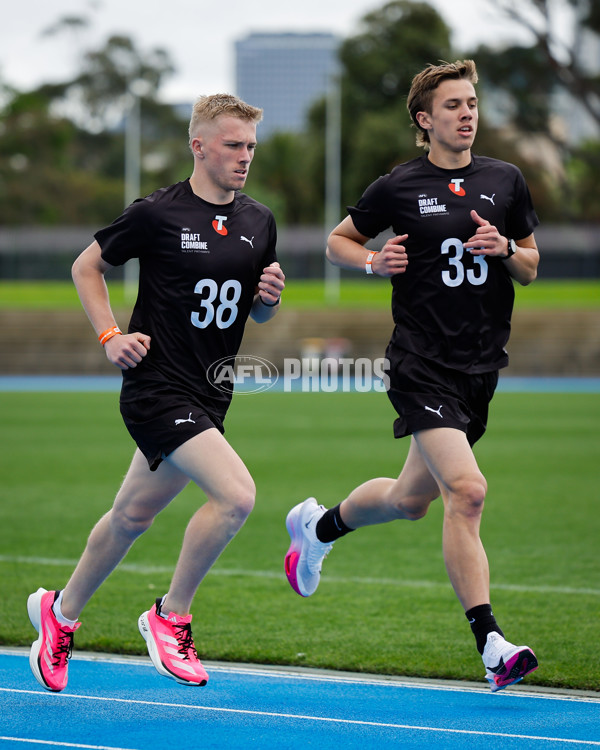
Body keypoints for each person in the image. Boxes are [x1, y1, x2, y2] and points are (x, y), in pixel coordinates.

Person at [284, 60, 539, 692]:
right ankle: (491, 644)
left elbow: (532, 266)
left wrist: (506, 250)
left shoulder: (505, 181)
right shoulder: (398, 186)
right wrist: (373, 259)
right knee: (467, 491)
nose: (468, 113)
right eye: (453, 105)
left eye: (472, 102)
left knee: (411, 501)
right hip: (420, 364)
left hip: (481, 367)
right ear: (425, 120)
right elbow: (337, 241)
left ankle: (318, 527)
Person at [27, 93, 285, 692]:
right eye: (232, 145)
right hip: (156, 387)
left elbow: (258, 316)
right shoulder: (156, 213)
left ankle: (58, 614)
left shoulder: (258, 221)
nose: (245, 157)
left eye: (251, 146)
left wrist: (267, 301)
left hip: (210, 392)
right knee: (237, 496)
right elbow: (85, 267)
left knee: (131, 515)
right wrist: (110, 334)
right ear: (199, 146)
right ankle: (170, 616)